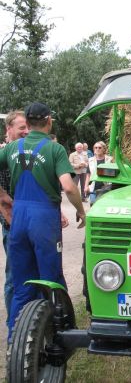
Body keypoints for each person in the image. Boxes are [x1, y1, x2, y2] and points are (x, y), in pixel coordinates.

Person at [0, 102, 86, 337]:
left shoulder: (12, 148)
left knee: (22, 284)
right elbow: (69, 187)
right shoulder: (54, 149)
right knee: (51, 279)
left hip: (19, 217)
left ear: (27, 123)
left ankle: (15, 336)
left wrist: (4, 197)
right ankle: (58, 334)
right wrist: (81, 211)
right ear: (49, 121)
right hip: (43, 217)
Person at [0, 110, 29, 322]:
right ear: (8, 129)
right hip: (12, 223)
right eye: (21, 128)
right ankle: (15, 325)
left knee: (33, 274)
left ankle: (33, 320)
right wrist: (4, 200)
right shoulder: (4, 152)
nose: (26, 131)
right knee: (14, 276)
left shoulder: (28, 152)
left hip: (32, 221)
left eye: (28, 127)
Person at [84, 141, 113, 205]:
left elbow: (113, 173)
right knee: (93, 204)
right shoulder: (90, 160)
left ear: (104, 149)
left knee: (104, 205)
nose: (97, 149)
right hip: (93, 186)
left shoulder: (110, 159)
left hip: (106, 186)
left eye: (100, 147)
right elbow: (88, 175)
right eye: (96, 147)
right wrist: (86, 186)